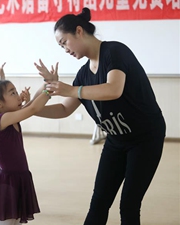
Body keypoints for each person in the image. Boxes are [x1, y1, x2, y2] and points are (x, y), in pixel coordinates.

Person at [34, 8, 166, 225]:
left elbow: (114, 89)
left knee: (129, 204)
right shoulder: (83, 74)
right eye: (60, 46)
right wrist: (31, 109)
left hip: (145, 139)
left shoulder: (114, 52)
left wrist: (71, 90)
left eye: (64, 42)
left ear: (79, 31)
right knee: (99, 202)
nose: (64, 49)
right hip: (116, 141)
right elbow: (64, 109)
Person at [0, 79, 44, 225]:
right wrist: (49, 91)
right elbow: (33, 108)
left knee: (15, 222)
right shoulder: (1, 119)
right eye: (13, 93)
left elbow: (31, 106)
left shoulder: (12, 117)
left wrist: (47, 83)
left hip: (19, 179)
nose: (18, 96)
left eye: (16, 92)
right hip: (7, 183)